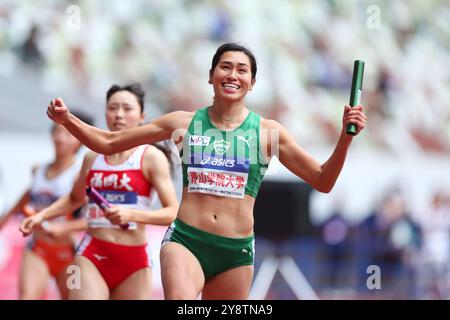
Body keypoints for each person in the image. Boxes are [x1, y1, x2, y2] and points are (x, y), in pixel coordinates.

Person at [43, 43, 367, 299]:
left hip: (235, 252)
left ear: (252, 83)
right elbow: (110, 142)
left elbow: (323, 181)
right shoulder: (182, 123)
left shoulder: (268, 132)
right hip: (187, 241)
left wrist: (344, 138)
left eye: (242, 70)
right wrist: (68, 120)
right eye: (225, 66)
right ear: (211, 75)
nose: (233, 74)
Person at [20, 83, 179, 299]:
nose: (119, 115)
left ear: (141, 116)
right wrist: (42, 215)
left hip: (135, 263)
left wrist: (132, 215)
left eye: (127, 108)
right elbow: (75, 198)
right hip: (90, 255)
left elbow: (172, 213)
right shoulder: (91, 157)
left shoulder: (150, 157)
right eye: (113, 108)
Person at [0, 111, 93, 300]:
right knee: (27, 297)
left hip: (68, 254)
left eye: (67, 134)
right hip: (38, 248)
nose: (60, 138)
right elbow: (22, 202)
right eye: (56, 132)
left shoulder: (79, 176)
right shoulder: (38, 170)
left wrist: (65, 227)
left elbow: (95, 219)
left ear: (79, 142)